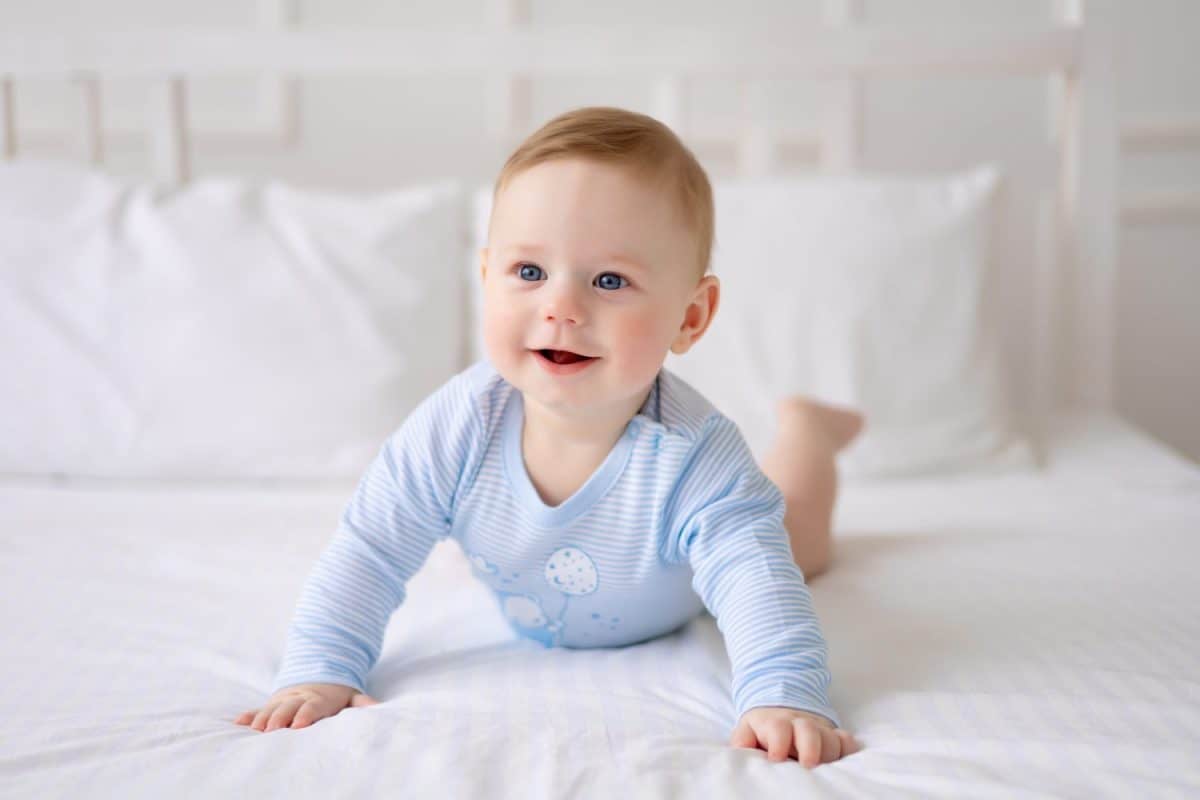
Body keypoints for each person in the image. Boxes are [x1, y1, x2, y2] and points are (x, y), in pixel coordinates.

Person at [235, 106, 864, 767]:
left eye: (610, 280)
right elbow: (370, 550)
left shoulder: (696, 457)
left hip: (687, 590)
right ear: (487, 279)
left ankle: (807, 430)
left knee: (801, 542)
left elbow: (754, 580)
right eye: (530, 273)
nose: (561, 307)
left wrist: (783, 695)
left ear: (691, 315)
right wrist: (320, 667)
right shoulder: (455, 430)